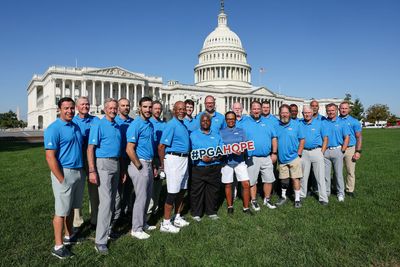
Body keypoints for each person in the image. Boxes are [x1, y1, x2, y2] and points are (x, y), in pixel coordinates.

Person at [45, 97, 85, 259]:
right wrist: (61, 178)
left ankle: (69, 236)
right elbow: (50, 157)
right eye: (66, 108)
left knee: (70, 208)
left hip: (78, 172)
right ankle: (58, 246)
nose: (69, 111)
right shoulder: (54, 128)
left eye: (71, 108)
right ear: (59, 110)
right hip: (64, 172)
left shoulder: (75, 126)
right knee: (61, 211)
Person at [87, 98, 124, 254]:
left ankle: (108, 230)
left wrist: (121, 170)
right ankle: (100, 241)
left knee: (115, 200)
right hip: (103, 163)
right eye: (110, 108)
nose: (113, 110)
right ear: (104, 109)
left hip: (115, 163)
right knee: (106, 202)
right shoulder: (99, 124)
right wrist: (92, 170)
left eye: (115, 108)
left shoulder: (116, 125)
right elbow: (90, 148)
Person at [126, 97, 156, 240]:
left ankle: (143, 223)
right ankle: (136, 229)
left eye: (150, 107)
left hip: (149, 163)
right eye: (145, 107)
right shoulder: (135, 124)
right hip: (140, 164)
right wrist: (139, 166)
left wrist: (152, 165)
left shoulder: (149, 124)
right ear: (139, 107)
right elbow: (129, 149)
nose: (148, 110)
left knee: (147, 196)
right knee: (141, 198)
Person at [158, 101, 191, 233]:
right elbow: (161, 146)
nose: (182, 111)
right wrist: (162, 165)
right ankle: (165, 223)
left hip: (184, 159)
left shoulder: (182, 124)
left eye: (183, 109)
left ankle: (176, 216)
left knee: (182, 190)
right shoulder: (171, 125)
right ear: (174, 110)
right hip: (174, 159)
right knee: (172, 192)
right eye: (179, 109)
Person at [241, 101, 278, 211]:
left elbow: (274, 138)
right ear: (250, 110)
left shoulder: (268, 123)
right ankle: (253, 200)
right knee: (252, 181)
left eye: (258, 109)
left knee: (269, 179)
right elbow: (239, 139)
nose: (256, 111)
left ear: (261, 110)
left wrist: (274, 153)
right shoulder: (245, 123)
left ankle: (267, 199)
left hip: (266, 156)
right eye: (254, 109)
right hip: (252, 157)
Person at [72, 96, 99, 230]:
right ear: (77, 106)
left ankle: (95, 218)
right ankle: (77, 220)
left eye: (87, 104)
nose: (85, 106)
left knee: (94, 190)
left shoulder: (95, 120)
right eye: (82, 104)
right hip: (78, 159)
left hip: (94, 159)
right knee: (78, 191)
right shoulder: (72, 121)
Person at [190, 113, 224, 221]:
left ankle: (211, 212)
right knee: (197, 191)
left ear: (211, 122)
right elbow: (190, 150)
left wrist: (213, 159)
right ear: (200, 122)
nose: (205, 122)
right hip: (198, 167)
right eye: (203, 121)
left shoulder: (217, 135)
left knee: (213, 191)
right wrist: (201, 158)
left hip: (214, 167)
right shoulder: (193, 135)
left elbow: (221, 151)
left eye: (207, 121)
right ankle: (196, 213)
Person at [219, 111, 252, 215]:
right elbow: (219, 147)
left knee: (246, 184)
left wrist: (242, 150)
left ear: (235, 119)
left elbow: (245, 145)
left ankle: (246, 208)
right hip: (227, 161)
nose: (230, 121)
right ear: (226, 120)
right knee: (228, 184)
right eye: (228, 119)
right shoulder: (221, 132)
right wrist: (226, 151)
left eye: (232, 119)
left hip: (239, 161)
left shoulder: (241, 131)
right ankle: (230, 206)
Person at [275, 104, 305, 208]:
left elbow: (302, 139)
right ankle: (283, 197)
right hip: (282, 159)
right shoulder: (277, 126)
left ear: (289, 113)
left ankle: (297, 199)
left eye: (286, 113)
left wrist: (299, 153)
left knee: (295, 179)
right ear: (279, 114)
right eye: (282, 113)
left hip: (294, 157)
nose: (284, 115)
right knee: (283, 180)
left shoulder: (297, 125)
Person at [299, 106, 329, 205]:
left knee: (320, 176)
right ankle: (302, 195)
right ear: (302, 113)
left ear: (312, 113)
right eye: (305, 113)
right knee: (303, 176)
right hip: (304, 152)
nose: (306, 114)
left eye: (308, 112)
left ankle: (323, 198)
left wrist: (322, 152)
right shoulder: (300, 123)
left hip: (317, 151)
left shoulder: (320, 123)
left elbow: (325, 139)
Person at [324, 103, 350, 202]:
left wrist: (342, 150)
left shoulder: (342, 122)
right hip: (326, 151)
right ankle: (327, 192)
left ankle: (340, 193)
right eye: (329, 110)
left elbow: (347, 137)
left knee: (338, 174)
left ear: (336, 110)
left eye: (332, 110)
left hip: (337, 150)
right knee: (326, 174)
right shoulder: (324, 122)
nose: (330, 112)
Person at [114, 98, 134, 223]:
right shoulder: (114, 121)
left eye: (127, 105)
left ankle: (126, 210)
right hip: (117, 158)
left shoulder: (133, 122)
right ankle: (116, 214)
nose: (126, 107)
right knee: (117, 188)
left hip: (130, 158)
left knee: (129, 187)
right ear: (118, 107)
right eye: (123, 105)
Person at [339, 101, 362, 197]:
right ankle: (338, 188)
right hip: (338, 148)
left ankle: (349, 190)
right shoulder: (335, 120)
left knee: (350, 171)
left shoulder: (354, 121)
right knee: (337, 171)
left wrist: (358, 151)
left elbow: (359, 137)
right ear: (339, 109)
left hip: (350, 148)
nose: (343, 110)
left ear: (349, 109)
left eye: (345, 108)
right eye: (342, 108)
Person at [148, 100, 166, 215]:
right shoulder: (148, 123)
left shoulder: (164, 124)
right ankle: (148, 210)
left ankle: (155, 207)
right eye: (156, 108)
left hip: (160, 157)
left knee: (158, 183)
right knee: (149, 185)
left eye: (159, 109)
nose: (158, 111)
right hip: (150, 156)